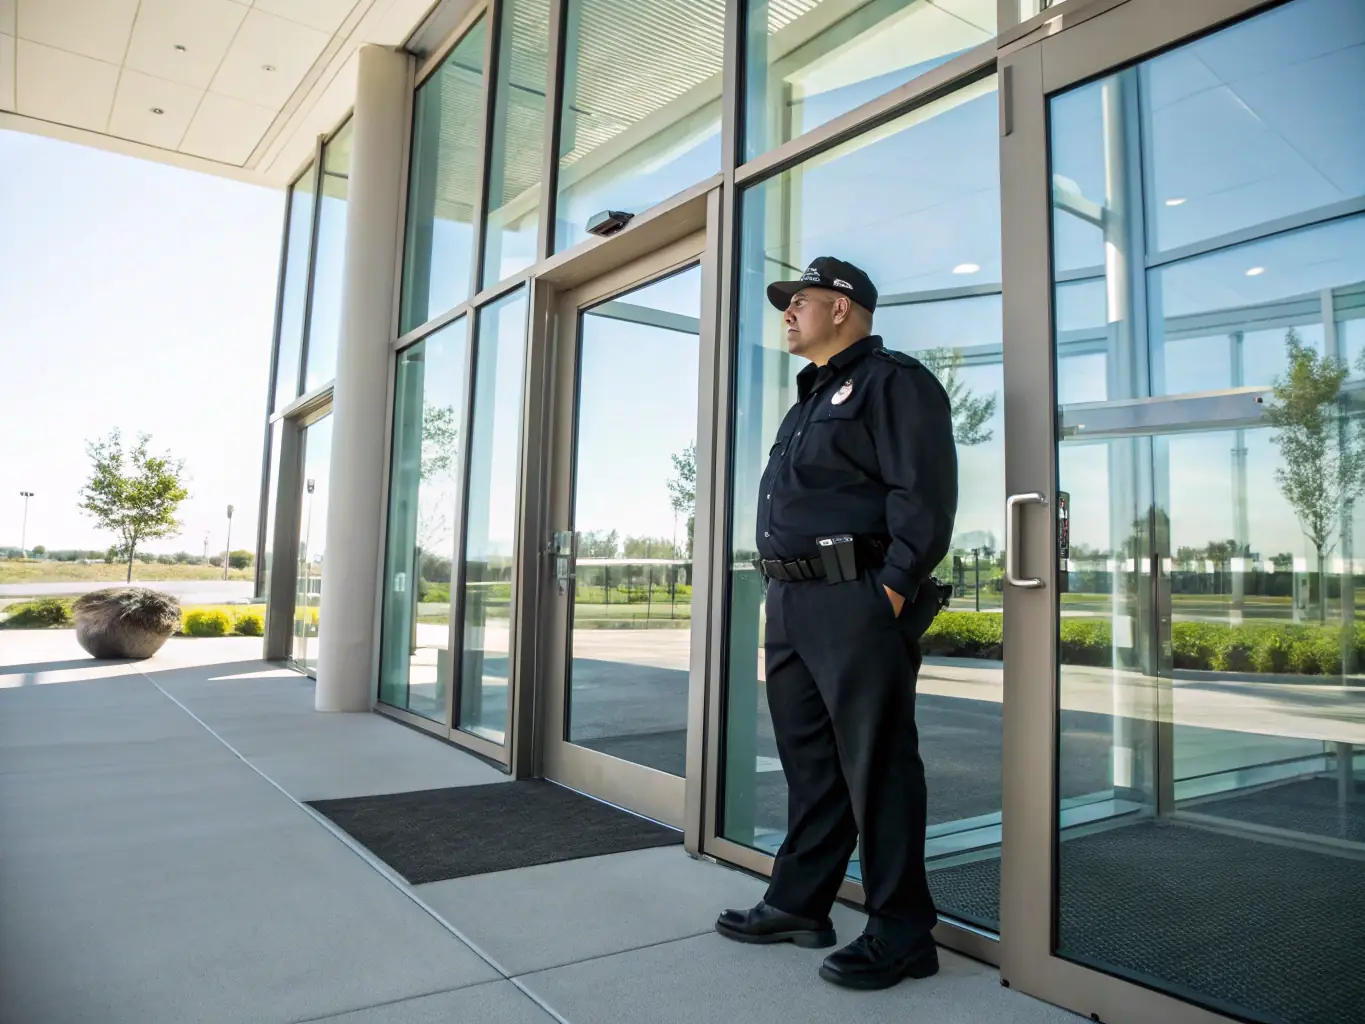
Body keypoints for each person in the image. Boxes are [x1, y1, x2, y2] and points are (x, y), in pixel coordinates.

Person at [714, 257, 957, 990]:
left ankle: (901, 931)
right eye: (785, 305)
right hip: (792, 602)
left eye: (801, 303)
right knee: (812, 765)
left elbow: (924, 492)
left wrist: (891, 587)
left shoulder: (893, 382)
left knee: (876, 767)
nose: (787, 314)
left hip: (855, 597)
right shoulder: (808, 400)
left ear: (843, 309)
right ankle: (799, 903)